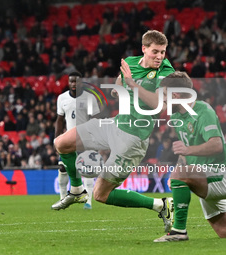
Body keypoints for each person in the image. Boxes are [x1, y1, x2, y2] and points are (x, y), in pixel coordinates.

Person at [52, 30, 175, 232]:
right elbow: (118, 84)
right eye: (155, 52)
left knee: (101, 194)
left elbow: (158, 105)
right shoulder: (131, 63)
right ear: (144, 49)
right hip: (114, 124)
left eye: (163, 52)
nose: (160, 57)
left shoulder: (165, 72)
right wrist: (119, 87)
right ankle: (76, 190)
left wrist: (132, 83)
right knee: (62, 143)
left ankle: (160, 205)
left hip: (133, 139)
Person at [154, 71, 226, 242]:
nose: (163, 100)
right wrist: (179, 171)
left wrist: (186, 156)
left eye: (165, 95)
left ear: (175, 95)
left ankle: (179, 231)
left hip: (219, 173)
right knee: (223, 231)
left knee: (182, 173)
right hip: (204, 176)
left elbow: (217, 145)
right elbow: (184, 153)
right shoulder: (178, 115)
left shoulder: (203, 111)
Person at [52, 71, 100, 210]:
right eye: (71, 81)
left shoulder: (89, 98)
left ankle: (88, 201)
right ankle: (62, 198)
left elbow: (95, 120)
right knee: (63, 168)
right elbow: (59, 120)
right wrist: (57, 139)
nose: (74, 84)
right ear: (68, 82)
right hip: (69, 138)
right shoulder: (62, 98)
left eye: (76, 81)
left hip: (86, 138)